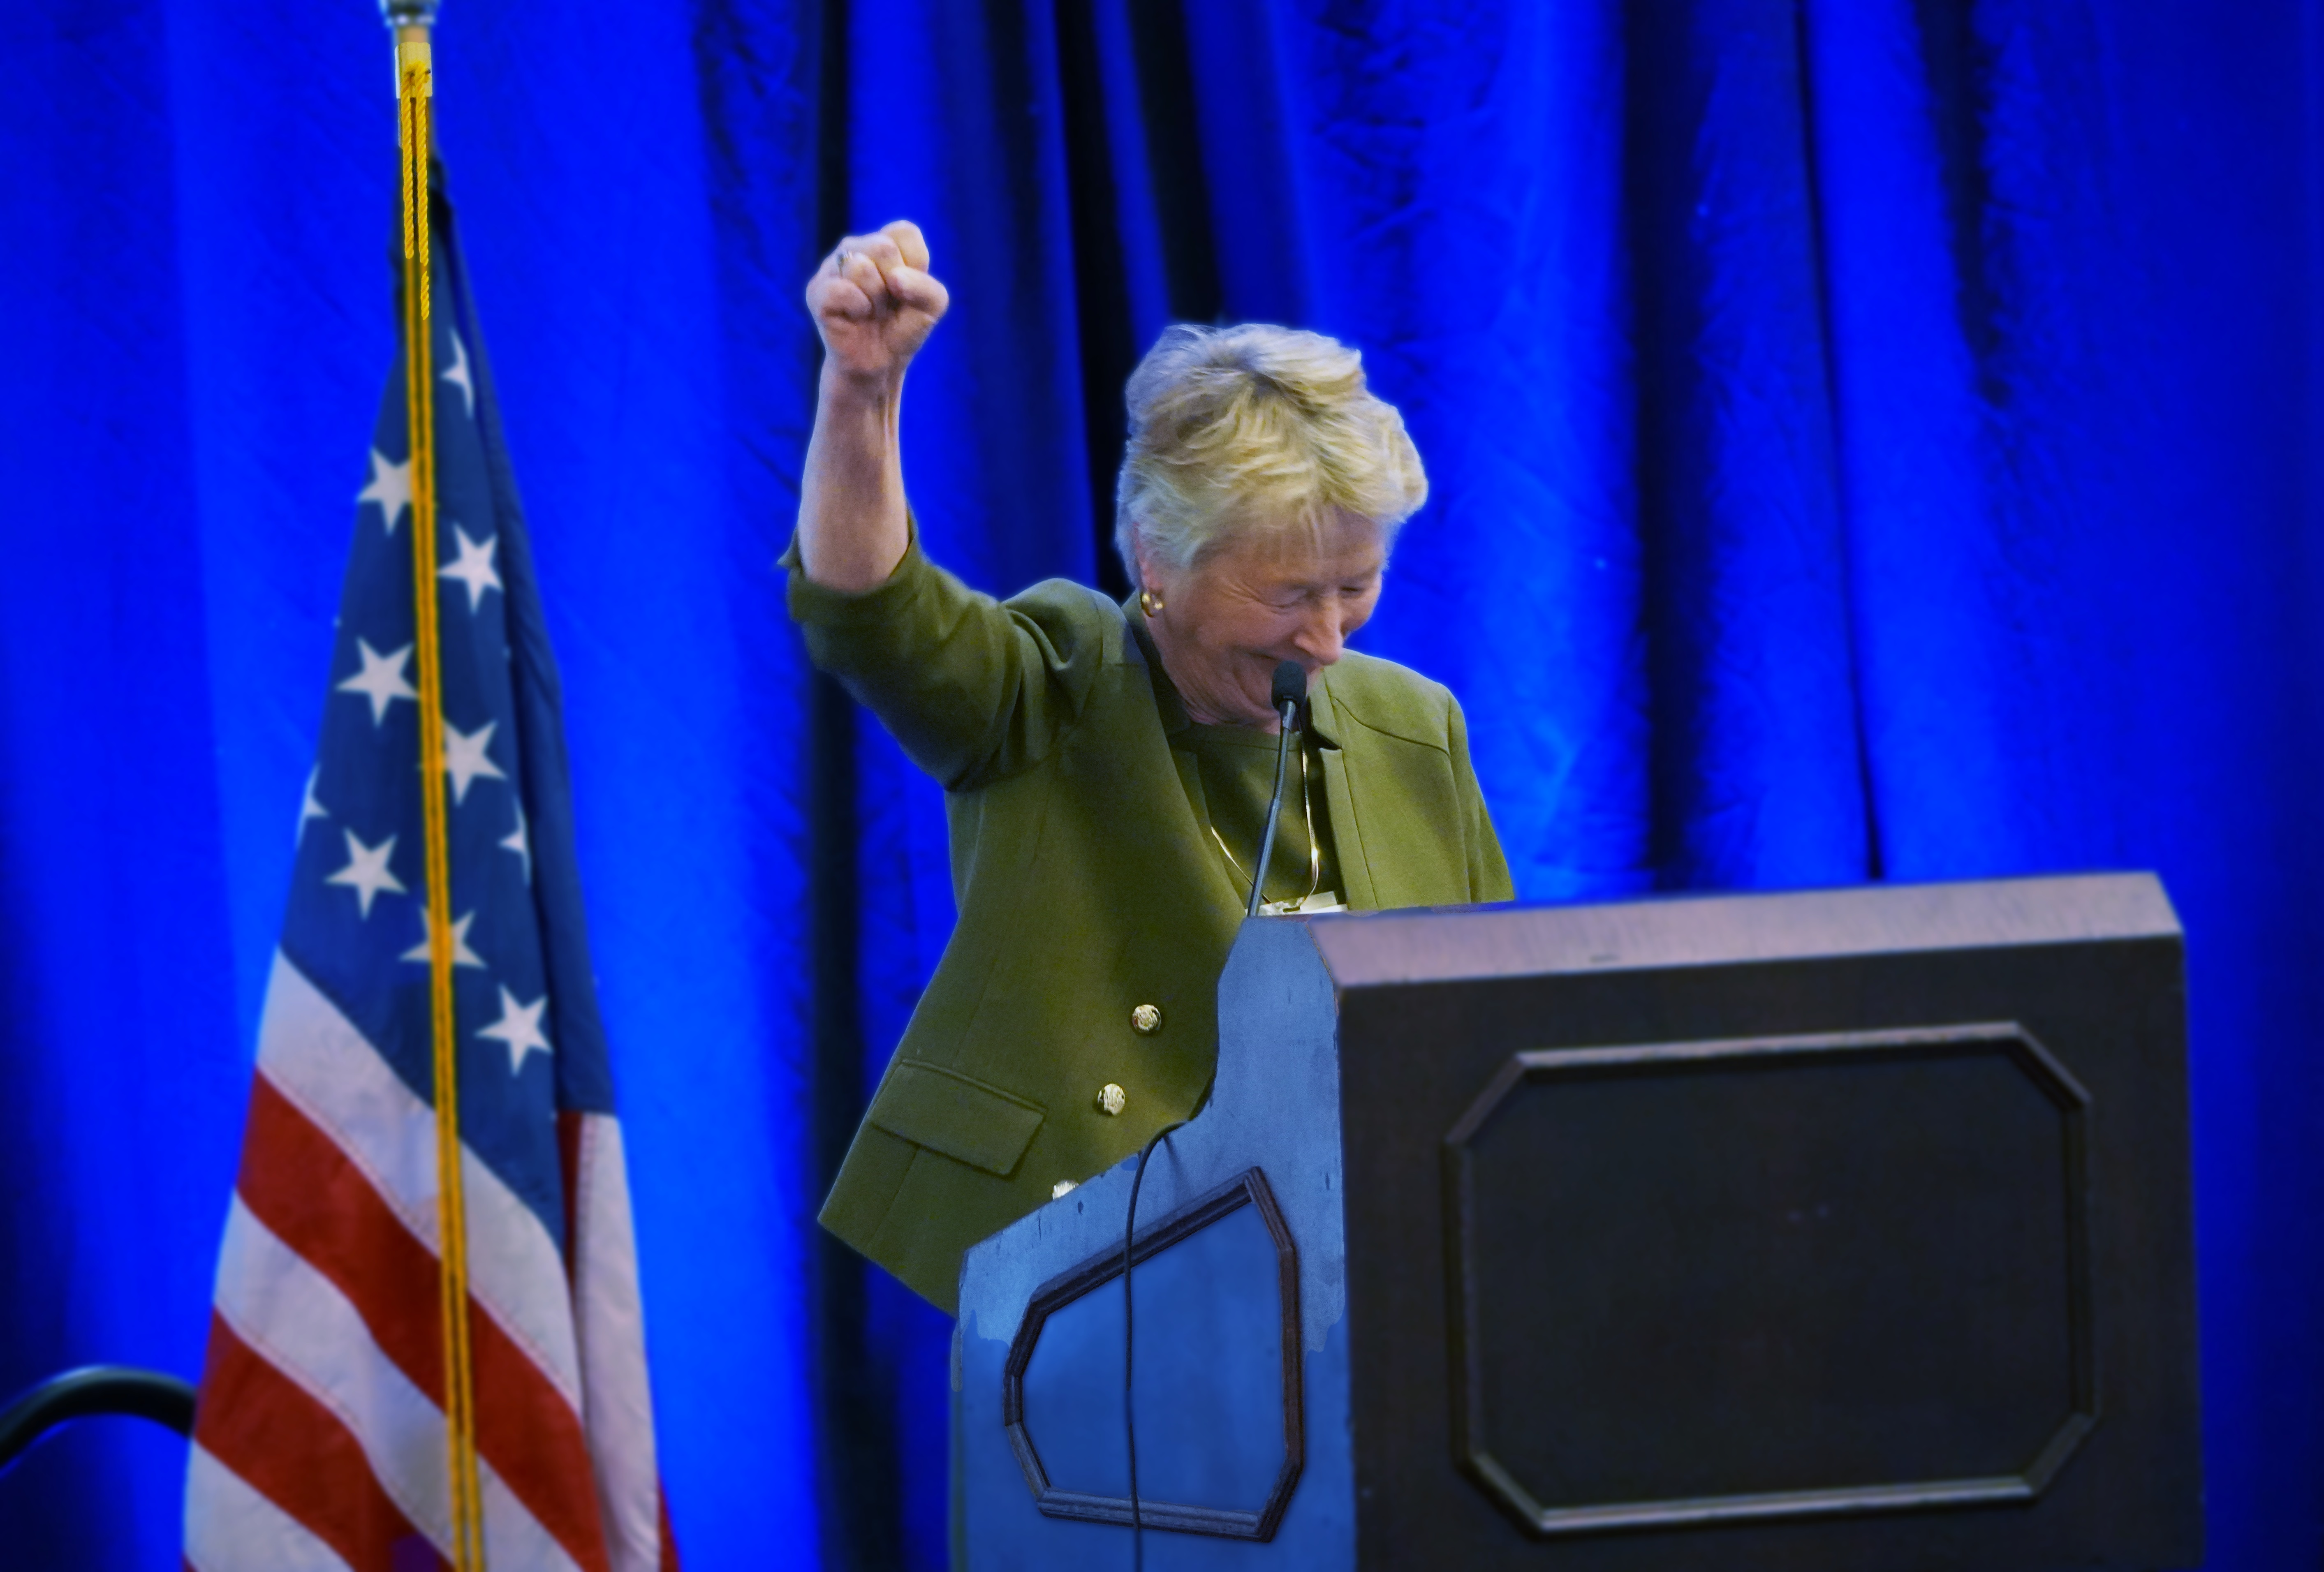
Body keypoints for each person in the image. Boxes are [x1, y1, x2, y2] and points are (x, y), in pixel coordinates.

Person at [790, 219, 1513, 1311]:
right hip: (1098, 1292)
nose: (1327, 639)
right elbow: (877, 617)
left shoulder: (1414, 727)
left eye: (1354, 586)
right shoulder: (1056, 688)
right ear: (1156, 557)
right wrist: (863, 391)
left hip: (1373, 1286)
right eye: (1288, 594)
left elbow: (1494, 1029)